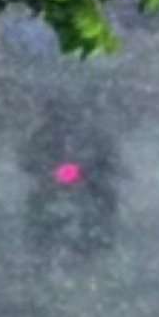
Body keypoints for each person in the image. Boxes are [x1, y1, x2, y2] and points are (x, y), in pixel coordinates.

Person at [19, 98, 122, 247]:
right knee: (38, 202)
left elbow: (110, 161)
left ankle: (101, 236)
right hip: (52, 181)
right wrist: (46, 169)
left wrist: (90, 169)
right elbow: (28, 161)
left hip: (89, 181)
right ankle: (39, 238)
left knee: (104, 198)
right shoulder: (40, 134)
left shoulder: (92, 133)